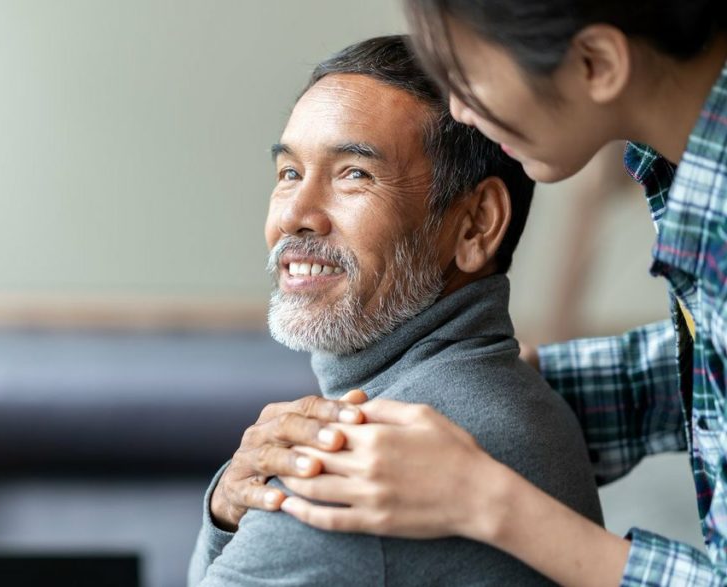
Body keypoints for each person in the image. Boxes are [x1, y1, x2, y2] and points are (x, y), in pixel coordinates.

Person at [213, 3, 727, 585]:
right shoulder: (680, 173)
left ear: (596, 62)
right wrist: (509, 397)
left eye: (471, 72)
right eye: (287, 173)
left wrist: (488, 498)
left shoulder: (336, 493)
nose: (463, 108)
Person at [187, 35, 602, 586]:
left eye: (353, 174)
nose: (295, 217)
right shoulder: (518, 398)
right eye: (289, 173)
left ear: (477, 224)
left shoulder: (360, 468)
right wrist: (226, 508)